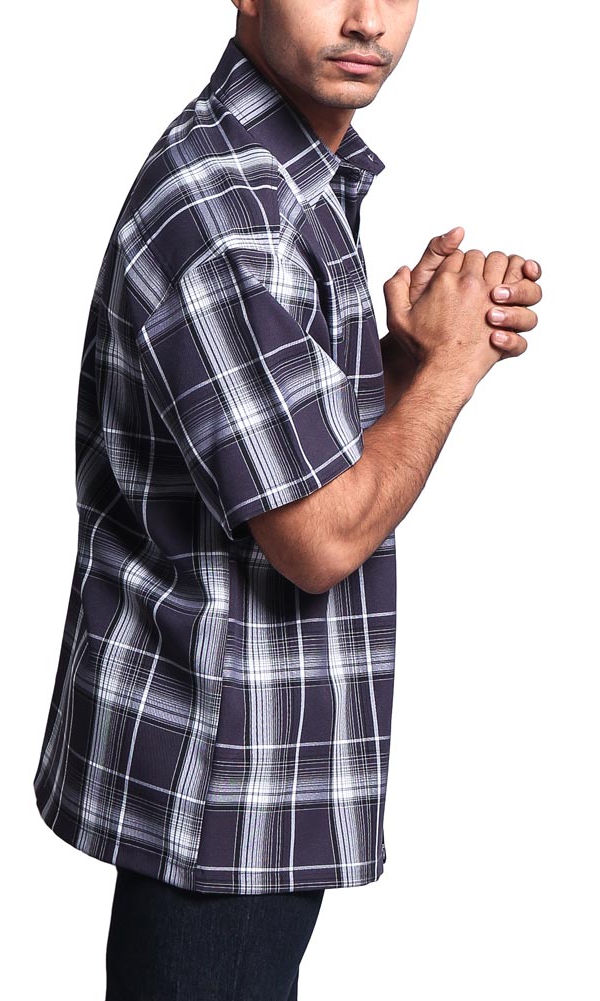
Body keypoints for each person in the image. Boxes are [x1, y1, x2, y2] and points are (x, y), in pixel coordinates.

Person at [32, 1, 542, 998]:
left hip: (241, 765)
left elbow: (265, 445)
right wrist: (452, 366)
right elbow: (318, 537)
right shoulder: (231, 219)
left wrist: (401, 364)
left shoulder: (281, 176)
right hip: (225, 779)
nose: (367, 19)